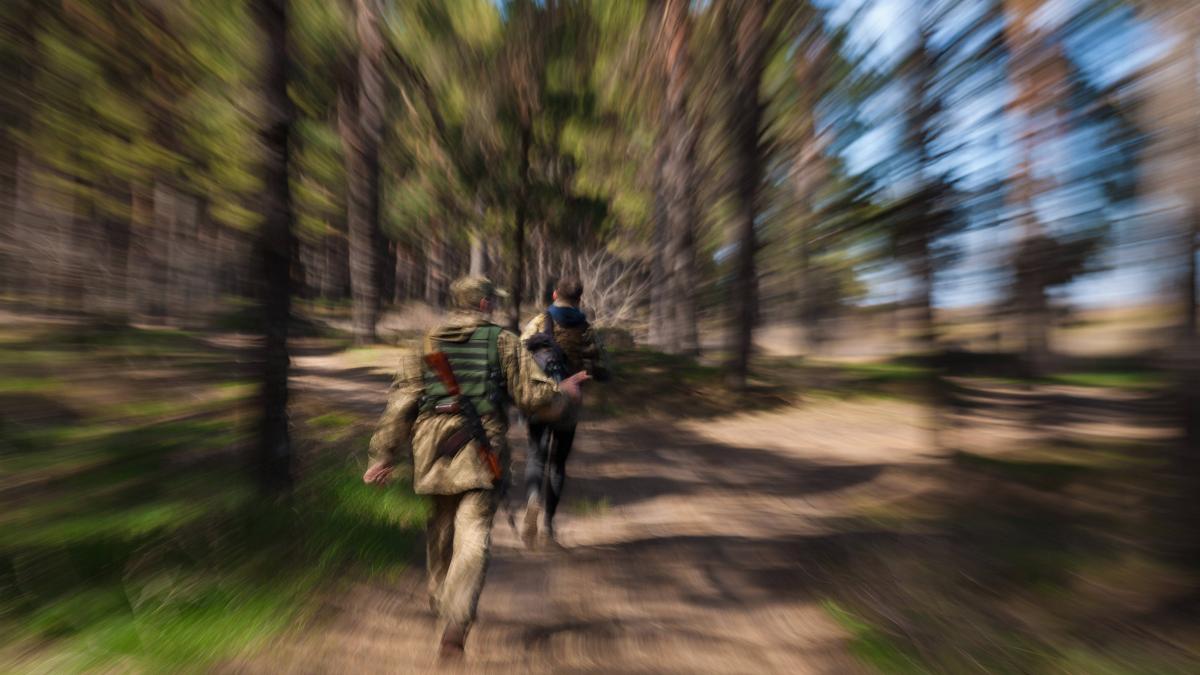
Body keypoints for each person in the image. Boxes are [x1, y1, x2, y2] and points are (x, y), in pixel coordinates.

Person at [362, 276, 589, 660]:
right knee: (475, 533)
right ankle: (457, 617)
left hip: (432, 446)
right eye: (490, 302)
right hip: (481, 445)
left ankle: (442, 596)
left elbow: (402, 401)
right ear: (484, 304)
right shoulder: (501, 341)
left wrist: (383, 454)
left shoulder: (425, 342)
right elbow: (532, 397)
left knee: (439, 522)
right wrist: (562, 395)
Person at [519, 276, 610, 549]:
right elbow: (597, 363)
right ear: (579, 298)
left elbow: (520, 353)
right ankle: (548, 526)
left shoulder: (539, 321)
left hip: (541, 398)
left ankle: (533, 497)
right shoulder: (585, 328)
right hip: (570, 401)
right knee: (557, 464)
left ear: (555, 293)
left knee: (536, 456)